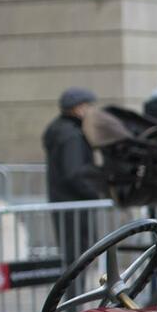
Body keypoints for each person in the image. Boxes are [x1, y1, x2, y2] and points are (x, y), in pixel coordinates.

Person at [42, 88, 105, 268]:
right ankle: (76, 288)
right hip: (76, 204)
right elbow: (75, 173)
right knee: (78, 259)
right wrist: (95, 194)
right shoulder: (72, 135)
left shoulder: (59, 128)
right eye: (89, 106)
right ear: (78, 108)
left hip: (66, 202)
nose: (92, 111)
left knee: (74, 258)